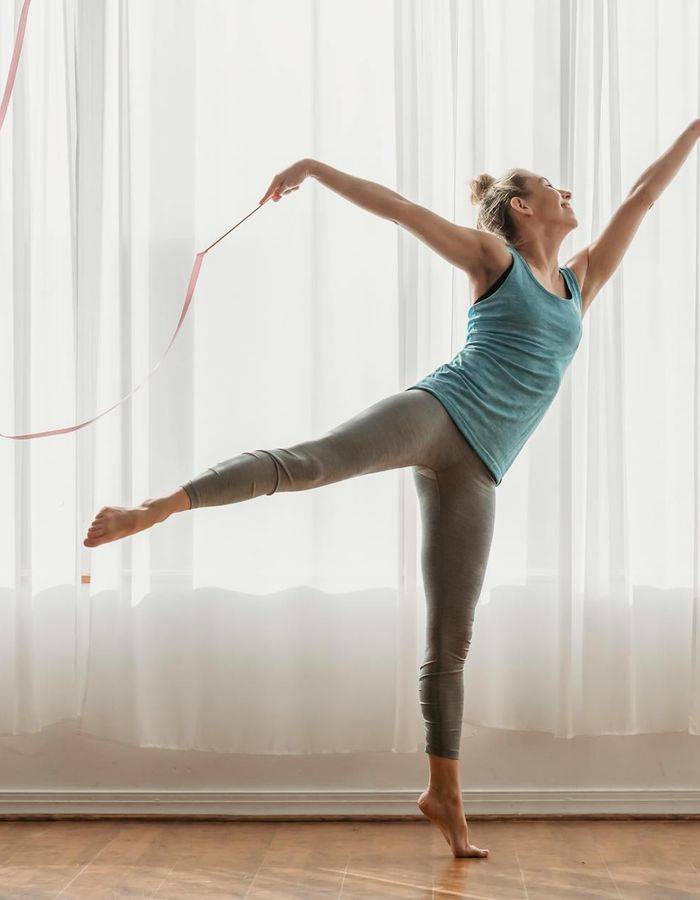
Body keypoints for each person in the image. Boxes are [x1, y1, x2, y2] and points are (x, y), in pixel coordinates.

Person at [80, 154, 644, 859]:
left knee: (452, 639)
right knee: (311, 463)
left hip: (480, 470)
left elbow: (643, 196)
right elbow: (400, 211)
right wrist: (314, 169)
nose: (565, 189)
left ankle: (445, 794)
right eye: (546, 186)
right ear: (523, 210)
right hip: (439, 413)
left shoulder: (576, 283)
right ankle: (157, 508)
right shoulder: (491, 255)